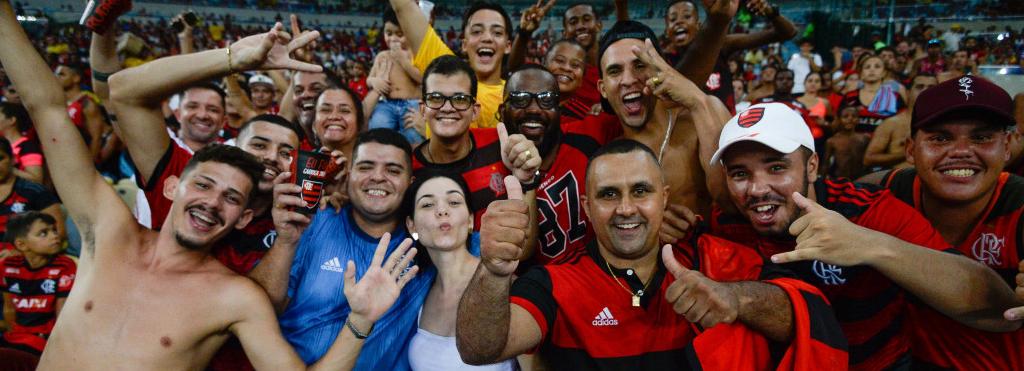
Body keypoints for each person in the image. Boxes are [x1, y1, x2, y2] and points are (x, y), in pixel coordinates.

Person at [0, 10, 415, 369]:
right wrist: (234, 58)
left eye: (232, 198)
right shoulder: (109, 235)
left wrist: (359, 319)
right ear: (172, 186)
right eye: (204, 185)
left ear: (245, 216)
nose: (214, 201)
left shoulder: (239, 290)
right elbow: (83, 100)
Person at [456, 139, 847, 370]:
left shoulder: (716, 260)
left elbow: (808, 319)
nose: (626, 209)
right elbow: (479, 348)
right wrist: (492, 269)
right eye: (609, 195)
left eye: (640, 191)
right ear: (587, 207)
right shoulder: (556, 282)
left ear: (664, 199)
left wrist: (735, 298)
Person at [709, 102, 1021, 370]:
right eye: (740, 174)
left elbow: (997, 310)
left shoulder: (868, 210)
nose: (758, 188)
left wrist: (869, 245)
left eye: (776, 168)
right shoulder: (724, 221)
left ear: (813, 166)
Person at [871, 76, 1024, 370]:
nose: (961, 151)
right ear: (910, 150)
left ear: (1007, 147)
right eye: (940, 138)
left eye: (981, 137)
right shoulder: (887, 192)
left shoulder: (1018, 208)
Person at [249, 129, 430, 370]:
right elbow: (257, 312)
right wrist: (285, 242)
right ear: (349, 175)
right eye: (365, 167)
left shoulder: (428, 246)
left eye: (393, 170)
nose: (378, 177)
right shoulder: (311, 221)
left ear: (410, 183)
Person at [596, 21, 730, 219]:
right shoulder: (608, 153)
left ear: (660, 70)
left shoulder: (699, 120)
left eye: (640, 65)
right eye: (615, 71)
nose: (628, 80)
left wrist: (697, 100)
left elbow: (732, 201)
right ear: (603, 89)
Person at [498, 65, 624, 265]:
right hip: (529, 288)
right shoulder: (483, 157)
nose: (533, 109)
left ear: (560, 109)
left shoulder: (590, 135)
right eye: (520, 98)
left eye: (546, 100)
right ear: (502, 110)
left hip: (593, 278)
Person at [409, 55, 542, 228]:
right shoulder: (410, 169)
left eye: (460, 99)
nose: (447, 108)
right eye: (436, 98)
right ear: (422, 109)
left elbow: (524, 250)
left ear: (475, 111)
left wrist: (527, 179)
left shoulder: (502, 146)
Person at [402, 170, 515, 370]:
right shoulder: (415, 291)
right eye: (428, 204)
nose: (442, 211)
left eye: (454, 202)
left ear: (471, 219)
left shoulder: (504, 282)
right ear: (412, 226)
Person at [390, 0, 512, 129]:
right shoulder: (444, 70)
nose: (487, 38)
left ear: (508, 46)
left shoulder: (517, 97)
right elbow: (403, 7)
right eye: (477, 31)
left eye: (497, 32)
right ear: (464, 44)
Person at [660, 0, 796, 109]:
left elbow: (788, 32)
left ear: (698, 25)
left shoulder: (721, 44)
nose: (679, 21)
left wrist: (771, 12)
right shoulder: (660, 60)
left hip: (724, 134)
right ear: (666, 30)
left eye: (687, 16)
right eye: (673, 19)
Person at [0, 212, 74, 356]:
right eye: (43, 233)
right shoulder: (8, 266)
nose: (54, 236)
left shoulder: (65, 265)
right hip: (16, 337)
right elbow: (9, 308)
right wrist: (13, 332)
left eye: (54, 230)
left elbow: (62, 314)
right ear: (21, 244)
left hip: (45, 339)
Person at [365, 8, 424, 147]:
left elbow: (422, 79)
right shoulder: (382, 56)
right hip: (387, 104)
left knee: (413, 134)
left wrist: (404, 61)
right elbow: (369, 79)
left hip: (412, 103)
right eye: (389, 33)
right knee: (378, 128)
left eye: (399, 34)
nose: (393, 39)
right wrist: (375, 81)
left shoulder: (414, 55)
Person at [0, 137, 63, 254]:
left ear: (13, 159)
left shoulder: (34, 191)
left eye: (0, 158)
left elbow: (58, 233)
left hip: (25, 263)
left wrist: (17, 253)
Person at [863, 74, 938, 170]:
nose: (925, 91)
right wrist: (910, 151)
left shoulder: (946, 124)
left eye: (931, 87)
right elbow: (868, 159)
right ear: (908, 93)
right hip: (900, 181)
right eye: (919, 87)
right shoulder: (891, 124)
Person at [842, 54, 906, 134]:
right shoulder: (850, 96)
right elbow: (840, 122)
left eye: (877, 66)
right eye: (867, 67)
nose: (872, 70)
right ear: (861, 74)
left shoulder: (895, 97)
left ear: (884, 73)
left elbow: (902, 124)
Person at [56, 64, 105, 161]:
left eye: (62, 74)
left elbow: (96, 138)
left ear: (76, 78)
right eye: (56, 74)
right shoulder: (59, 103)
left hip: (83, 159)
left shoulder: (87, 103)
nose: (57, 77)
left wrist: (90, 167)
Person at [542, 39, 591, 122]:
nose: (566, 68)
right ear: (543, 64)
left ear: (582, 79)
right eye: (560, 61)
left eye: (575, 65)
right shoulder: (522, 104)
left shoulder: (586, 119)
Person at [0, 103, 44, 183]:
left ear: (11, 120)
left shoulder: (27, 146)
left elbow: (36, 179)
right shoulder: (2, 145)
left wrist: (7, 168)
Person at [821, 105, 868, 179]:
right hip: (840, 179)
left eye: (854, 116)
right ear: (839, 120)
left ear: (858, 119)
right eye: (845, 116)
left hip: (861, 178)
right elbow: (825, 164)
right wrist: (821, 181)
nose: (850, 119)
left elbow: (868, 161)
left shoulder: (864, 138)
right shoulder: (832, 141)